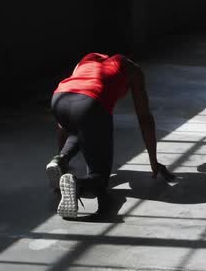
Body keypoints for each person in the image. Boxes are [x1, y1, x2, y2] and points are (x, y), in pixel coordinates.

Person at [46, 52, 175, 219]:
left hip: (59, 98)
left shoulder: (87, 59)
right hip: (91, 104)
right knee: (99, 177)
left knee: (82, 127)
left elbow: (65, 125)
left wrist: (62, 158)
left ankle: (59, 160)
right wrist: (153, 160)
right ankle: (78, 184)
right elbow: (144, 119)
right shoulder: (132, 69)